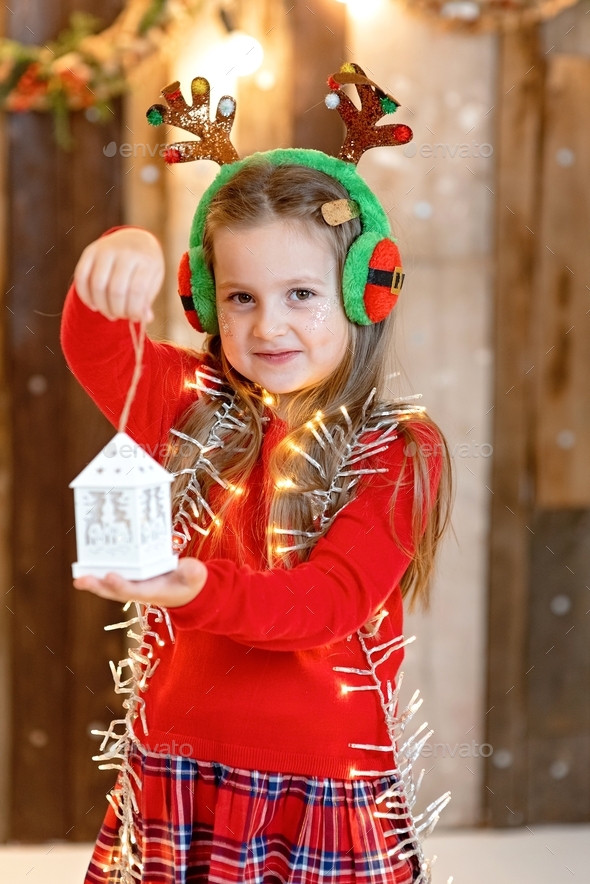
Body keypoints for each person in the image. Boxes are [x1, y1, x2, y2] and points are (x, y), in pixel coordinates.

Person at [62, 64, 454, 884]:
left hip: (319, 786)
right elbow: (97, 347)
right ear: (203, 297)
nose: (268, 325)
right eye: (239, 297)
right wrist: (119, 250)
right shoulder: (190, 401)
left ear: (364, 292)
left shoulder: (397, 449)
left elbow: (327, 604)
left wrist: (196, 588)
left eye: (301, 293)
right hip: (174, 767)